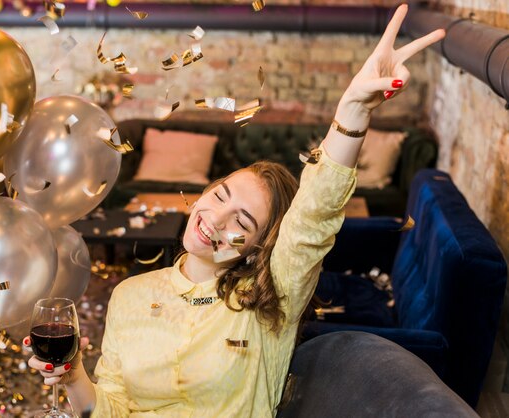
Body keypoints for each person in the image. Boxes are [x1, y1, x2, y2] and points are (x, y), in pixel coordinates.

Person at [25, 4, 445, 417]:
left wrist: (353, 109)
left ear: (260, 249)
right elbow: (111, 406)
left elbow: (312, 218)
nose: (217, 220)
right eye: (221, 195)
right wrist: (74, 373)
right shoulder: (129, 295)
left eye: (243, 222)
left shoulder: (267, 304)